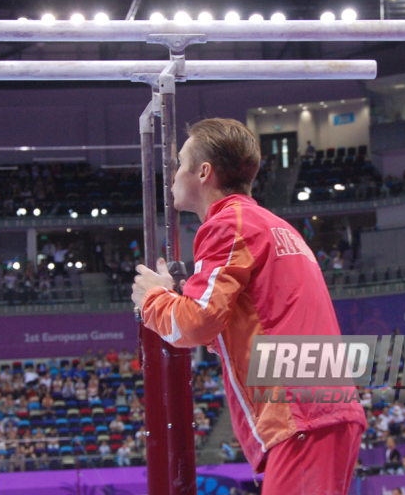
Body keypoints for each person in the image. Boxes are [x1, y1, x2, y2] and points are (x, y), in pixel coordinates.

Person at [131, 118, 366, 495]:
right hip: (321, 408)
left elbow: (197, 325)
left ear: (203, 172)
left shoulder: (228, 224)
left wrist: (153, 299)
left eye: (179, 162)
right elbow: (243, 320)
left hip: (300, 411)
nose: (172, 174)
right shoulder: (273, 225)